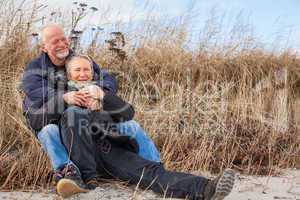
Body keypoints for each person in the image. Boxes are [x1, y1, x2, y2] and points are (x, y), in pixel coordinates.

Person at [56, 54, 236, 200]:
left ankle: (206, 188)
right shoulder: (60, 94)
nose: (82, 73)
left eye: (86, 69)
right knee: (74, 114)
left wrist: (103, 97)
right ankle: (87, 180)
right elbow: (40, 120)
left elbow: (128, 113)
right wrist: (68, 100)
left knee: (150, 172)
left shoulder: (101, 92)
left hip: (109, 149)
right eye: (77, 69)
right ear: (69, 73)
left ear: (92, 73)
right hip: (80, 156)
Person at [21, 24, 160, 190]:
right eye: (54, 41)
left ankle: (155, 168)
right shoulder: (35, 68)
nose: (62, 43)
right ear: (44, 47)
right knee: (49, 131)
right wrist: (66, 98)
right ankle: (67, 172)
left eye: (63, 38)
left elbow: (105, 77)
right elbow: (38, 92)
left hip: (87, 118)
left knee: (132, 126)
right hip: (50, 116)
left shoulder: (78, 59)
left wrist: (99, 94)